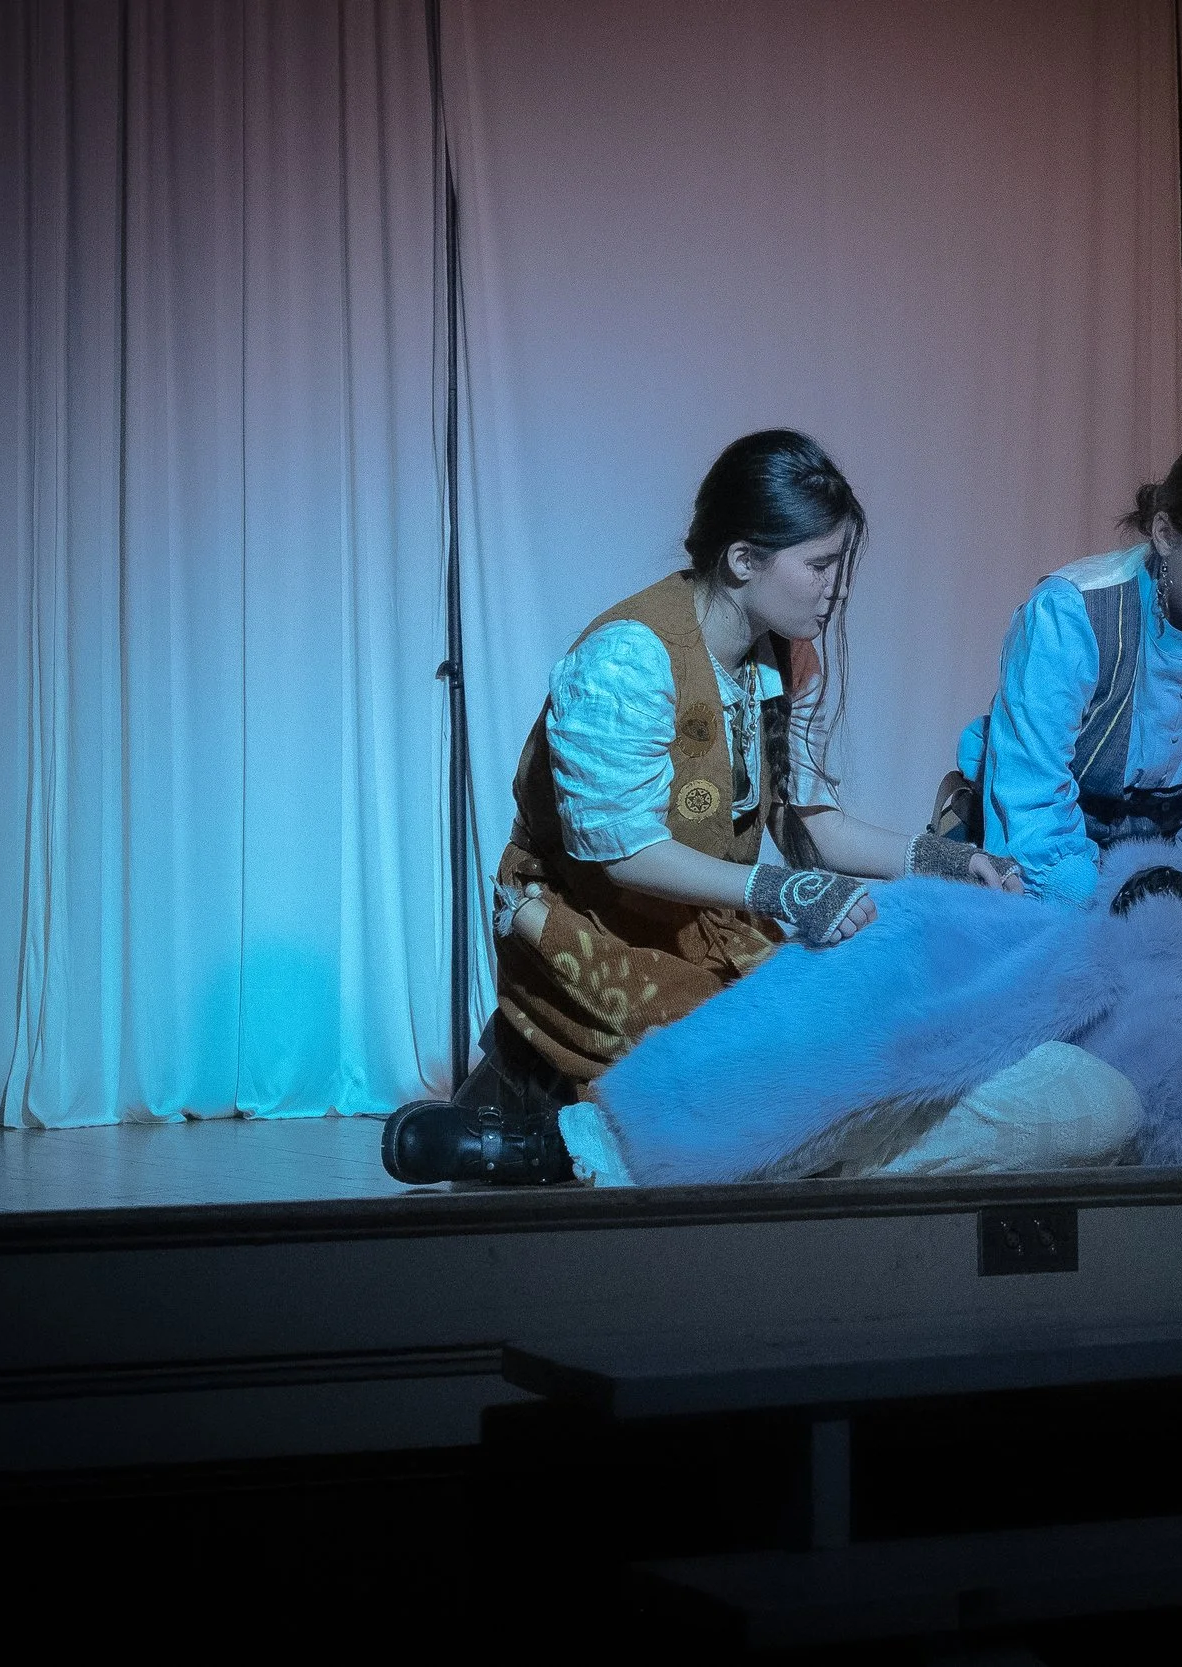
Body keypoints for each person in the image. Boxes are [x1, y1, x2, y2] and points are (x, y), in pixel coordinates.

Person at [384, 430, 1016, 1185]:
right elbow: (623, 853)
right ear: (744, 560)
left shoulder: (784, 650)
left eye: (840, 563)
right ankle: (530, 1119)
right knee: (735, 1076)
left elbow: (806, 821)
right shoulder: (628, 659)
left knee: (841, 1027)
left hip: (704, 921)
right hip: (591, 919)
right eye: (819, 564)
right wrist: (782, 889)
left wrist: (950, 861)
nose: (836, 587)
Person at [556, 854, 1182, 1189]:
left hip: (1072, 1045)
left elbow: (1172, 1085)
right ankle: (663, 1100)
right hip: (1052, 955)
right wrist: (1156, 901)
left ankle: (658, 1152)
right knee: (903, 924)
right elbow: (1139, 907)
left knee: (1037, 1092)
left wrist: (1140, 941)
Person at [942, 428, 1182, 907]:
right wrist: (1105, 915)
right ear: (1164, 535)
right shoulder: (1072, 614)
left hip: (1171, 871)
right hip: (1043, 864)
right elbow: (1031, 804)